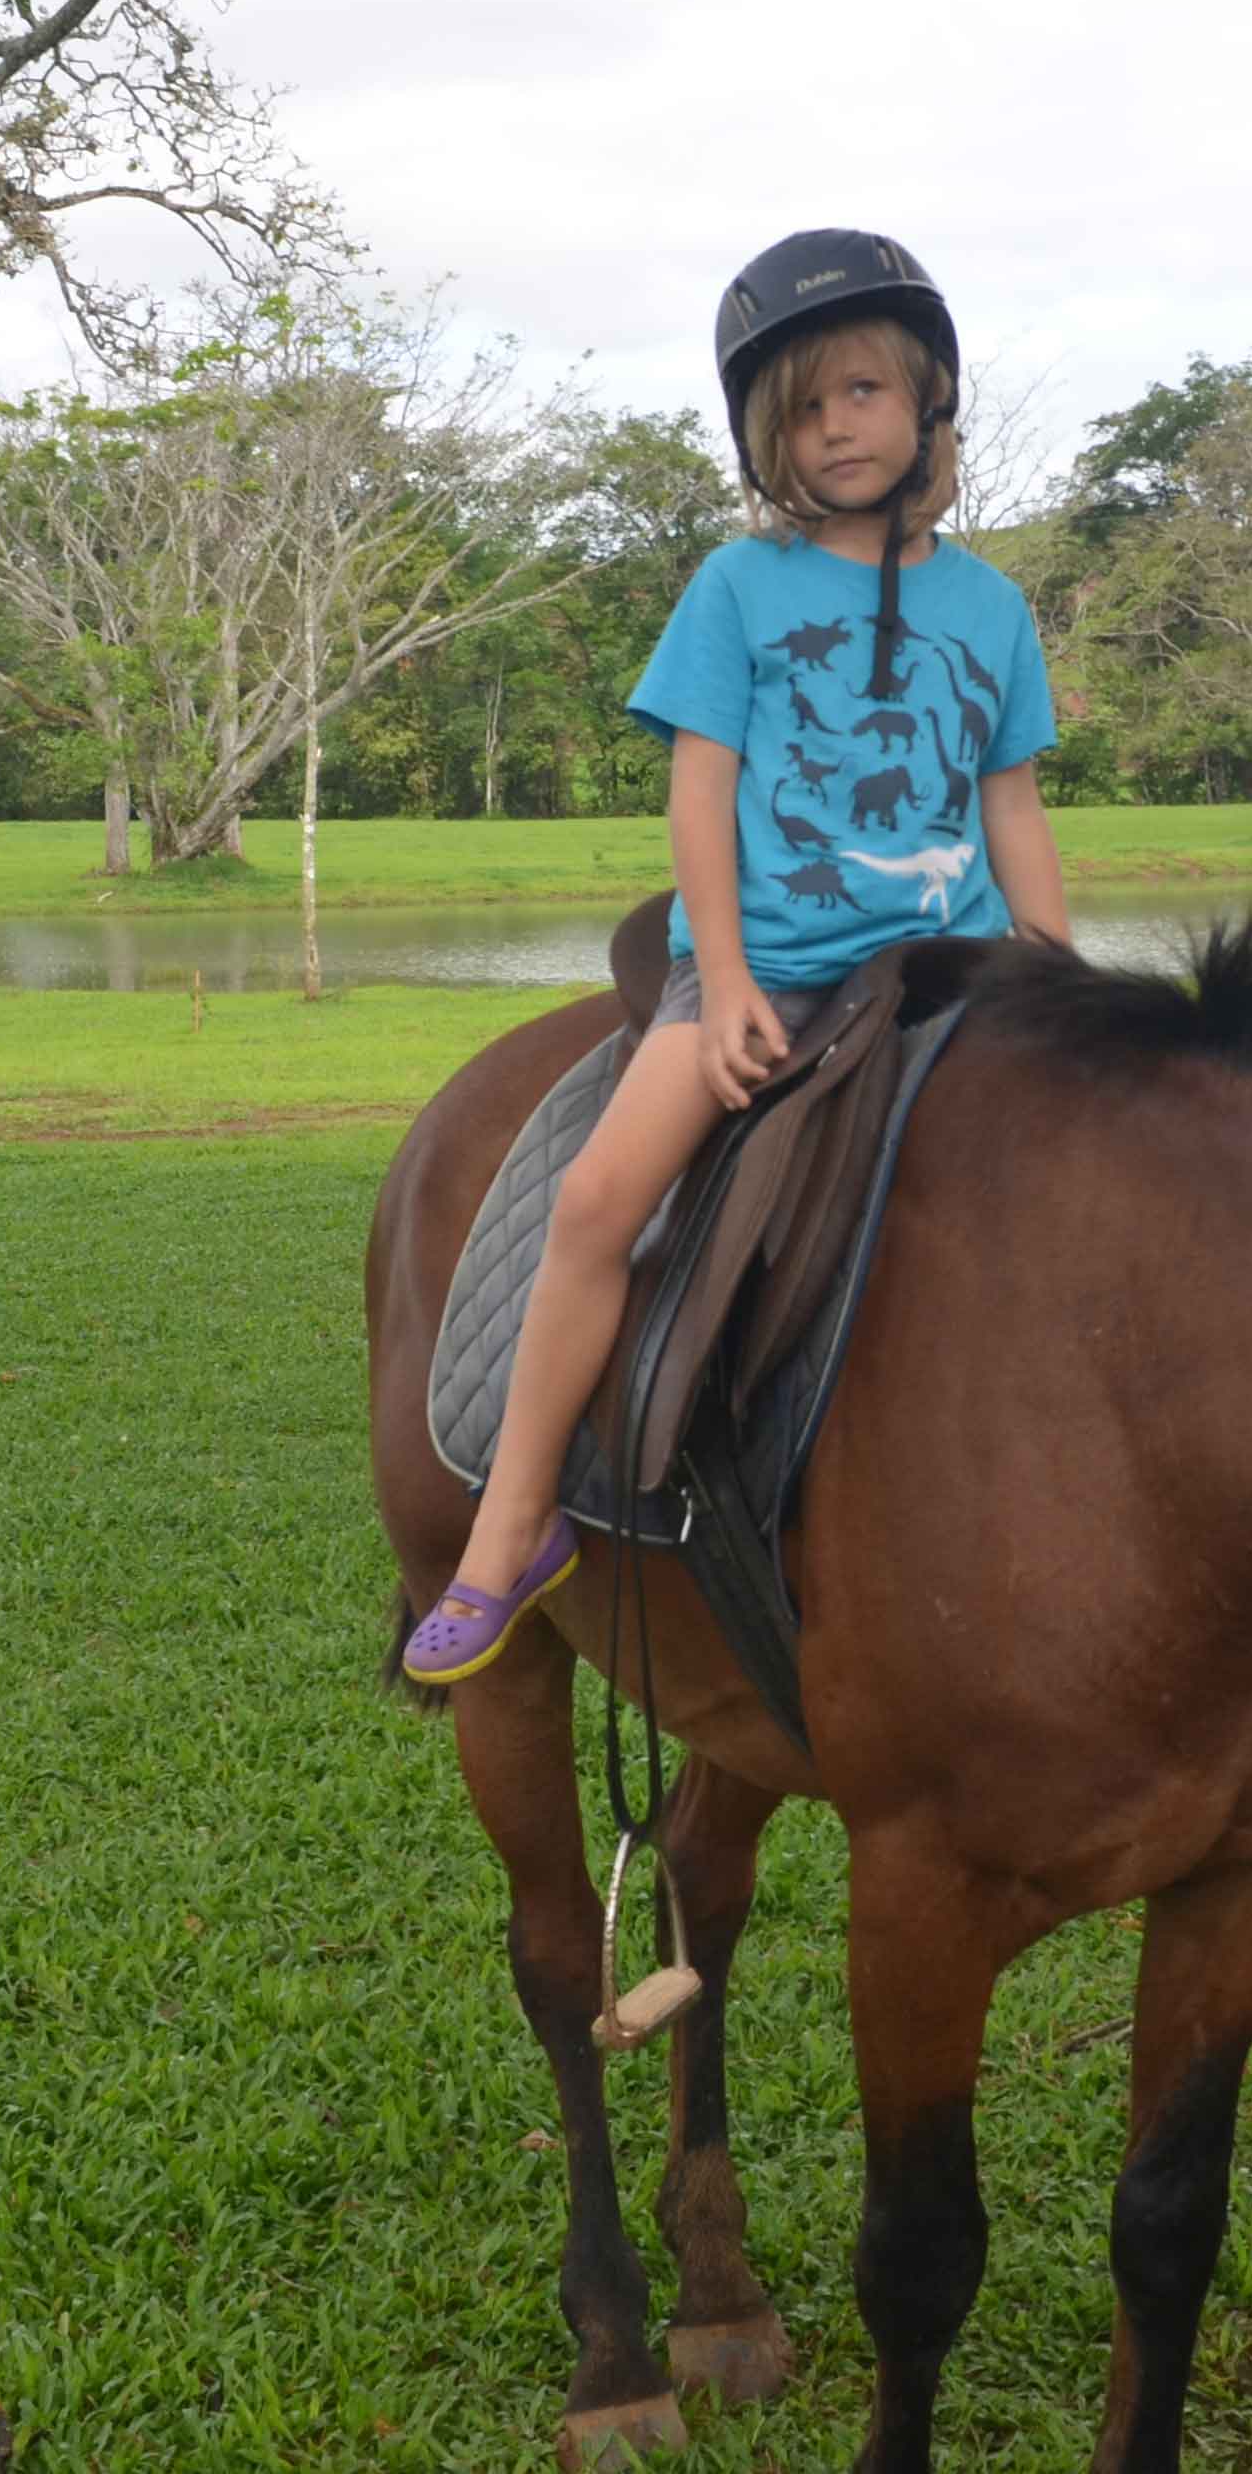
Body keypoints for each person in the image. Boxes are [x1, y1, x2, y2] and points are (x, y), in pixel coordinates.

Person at [399, 229, 1071, 1684]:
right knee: (596, 1202)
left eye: (864, 392)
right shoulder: (740, 587)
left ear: (928, 402)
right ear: (772, 438)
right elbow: (700, 791)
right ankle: (515, 1524)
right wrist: (729, 989)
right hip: (767, 965)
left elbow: (1009, 800)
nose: (836, 426)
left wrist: (1059, 968)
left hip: (952, 971)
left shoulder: (992, 607)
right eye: (805, 406)